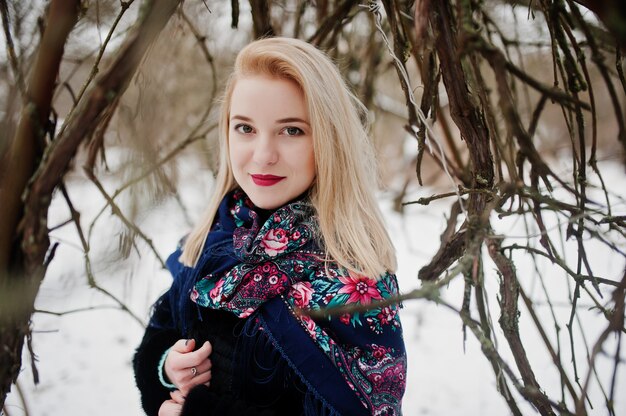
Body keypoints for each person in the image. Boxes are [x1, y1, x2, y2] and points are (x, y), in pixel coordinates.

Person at [133, 36, 407, 416]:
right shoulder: (215, 236)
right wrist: (167, 367)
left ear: (328, 140)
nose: (263, 155)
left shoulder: (354, 273)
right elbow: (161, 332)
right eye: (245, 128)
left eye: (291, 130)